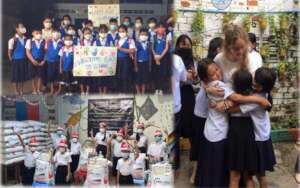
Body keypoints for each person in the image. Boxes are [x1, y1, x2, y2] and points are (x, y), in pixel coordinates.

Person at [227, 67, 277, 188]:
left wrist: (227, 102)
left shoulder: (257, 101)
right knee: (252, 174)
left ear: (263, 86)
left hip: (259, 140)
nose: (253, 83)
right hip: (263, 136)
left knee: (259, 174)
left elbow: (233, 109)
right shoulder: (262, 95)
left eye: (256, 82)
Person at [197, 59, 233, 187]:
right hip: (219, 131)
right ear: (206, 78)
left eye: (217, 69)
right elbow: (236, 97)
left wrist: (207, 88)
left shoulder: (209, 86)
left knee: (209, 166)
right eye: (213, 73)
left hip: (210, 130)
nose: (218, 74)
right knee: (219, 167)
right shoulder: (219, 85)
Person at [193, 37, 224, 185]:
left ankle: (198, 177)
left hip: (209, 118)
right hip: (203, 114)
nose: (218, 74)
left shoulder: (213, 67)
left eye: (218, 70)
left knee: (205, 150)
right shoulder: (214, 82)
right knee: (202, 148)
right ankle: (197, 175)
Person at [8, 22, 27, 96]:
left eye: (23, 26)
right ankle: (16, 90)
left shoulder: (26, 39)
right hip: (15, 60)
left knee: (22, 76)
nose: (23, 28)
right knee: (15, 76)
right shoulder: (12, 40)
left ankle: (21, 90)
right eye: (21, 27)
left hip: (23, 59)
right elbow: (9, 51)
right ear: (17, 29)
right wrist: (11, 59)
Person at [94, 24, 114, 94]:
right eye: (101, 31)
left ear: (107, 32)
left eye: (105, 31)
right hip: (98, 63)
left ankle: (105, 91)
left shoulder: (110, 41)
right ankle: (100, 92)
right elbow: (93, 52)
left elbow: (112, 50)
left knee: (106, 77)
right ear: (99, 32)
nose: (103, 33)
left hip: (107, 62)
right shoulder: (95, 41)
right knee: (99, 78)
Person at [115, 25, 136, 93]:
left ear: (126, 32)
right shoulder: (117, 40)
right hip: (118, 60)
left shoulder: (130, 40)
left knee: (125, 77)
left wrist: (120, 49)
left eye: (123, 31)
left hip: (126, 61)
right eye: (120, 31)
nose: (121, 33)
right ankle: (120, 91)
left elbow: (132, 50)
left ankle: (126, 92)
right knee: (119, 76)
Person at [26, 29, 46, 95]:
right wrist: (32, 60)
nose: (38, 34)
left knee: (40, 75)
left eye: (40, 33)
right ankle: (34, 90)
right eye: (36, 33)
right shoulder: (29, 41)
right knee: (33, 76)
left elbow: (46, 52)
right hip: (32, 60)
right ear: (33, 33)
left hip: (41, 60)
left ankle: (38, 89)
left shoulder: (44, 41)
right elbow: (28, 52)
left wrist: (44, 60)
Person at [152, 22, 170, 94]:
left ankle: (161, 89)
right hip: (155, 57)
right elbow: (152, 48)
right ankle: (156, 88)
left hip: (163, 58)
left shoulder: (166, 37)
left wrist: (160, 57)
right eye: (159, 27)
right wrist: (155, 56)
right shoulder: (153, 37)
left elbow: (166, 48)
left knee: (162, 74)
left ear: (164, 29)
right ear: (156, 29)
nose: (160, 29)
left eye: (162, 27)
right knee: (156, 73)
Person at [45, 29, 63, 96]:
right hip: (50, 61)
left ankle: (59, 90)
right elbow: (46, 50)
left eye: (57, 33)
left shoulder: (62, 42)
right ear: (52, 34)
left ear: (59, 34)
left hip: (59, 62)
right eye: (54, 33)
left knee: (59, 76)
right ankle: (52, 90)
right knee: (51, 75)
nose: (55, 34)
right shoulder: (48, 41)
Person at [78, 27, 94, 95]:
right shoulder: (80, 42)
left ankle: (87, 91)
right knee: (82, 77)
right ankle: (82, 91)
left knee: (89, 77)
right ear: (83, 34)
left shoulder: (93, 42)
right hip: (82, 62)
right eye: (86, 33)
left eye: (89, 33)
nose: (88, 34)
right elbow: (78, 51)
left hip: (91, 62)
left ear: (91, 34)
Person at [135, 28, 151, 94]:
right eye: (142, 34)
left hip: (146, 63)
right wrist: (135, 65)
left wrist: (149, 65)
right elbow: (135, 55)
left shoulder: (148, 43)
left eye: (145, 34)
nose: (143, 36)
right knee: (138, 79)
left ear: (147, 36)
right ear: (139, 35)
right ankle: (138, 92)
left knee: (144, 79)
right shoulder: (137, 43)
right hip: (139, 63)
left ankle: (143, 92)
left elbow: (149, 54)